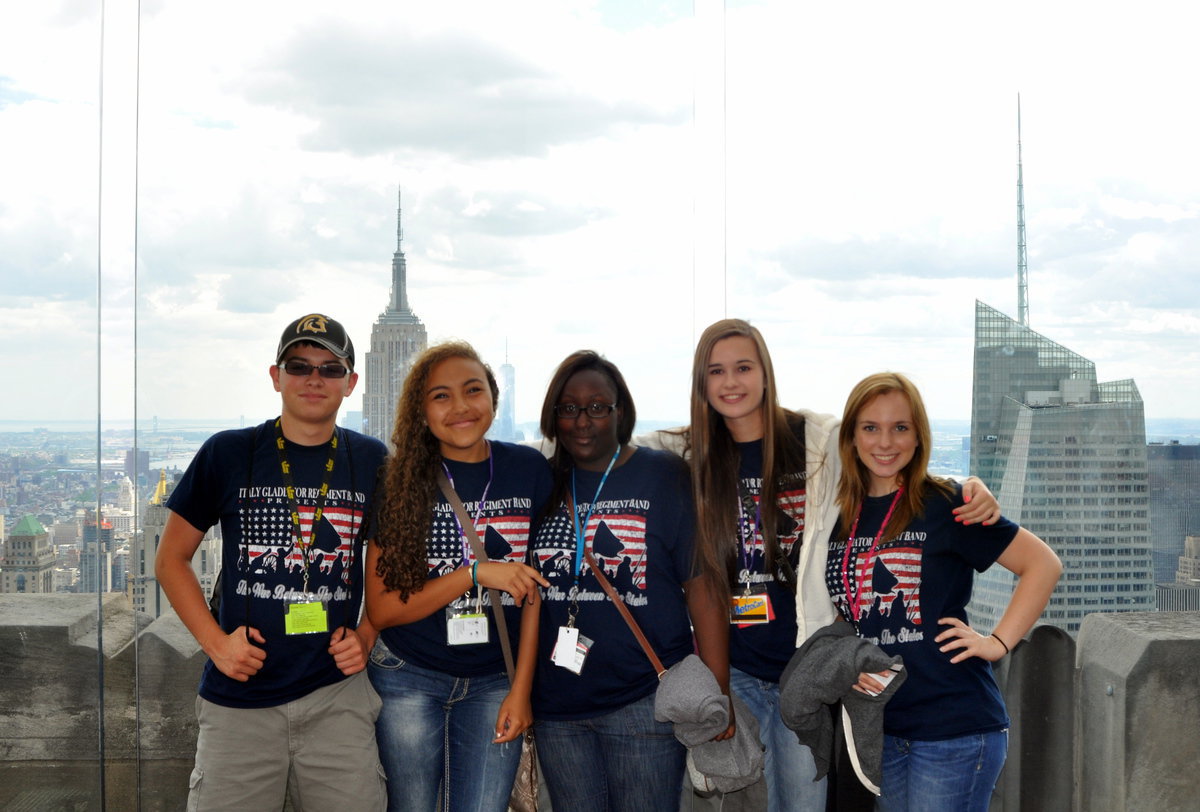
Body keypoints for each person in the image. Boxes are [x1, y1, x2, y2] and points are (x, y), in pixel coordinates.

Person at [638, 318, 1001, 811]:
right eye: (715, 371)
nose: (730, 383)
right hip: (736, 668)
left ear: (765, 372)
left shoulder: (816, 439)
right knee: (738, 802)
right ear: (701, 383)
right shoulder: (686, 453)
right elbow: (600, 456)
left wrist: (970, 484)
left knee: (806, 804)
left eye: (743, 367)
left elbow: (884, 454)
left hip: (805, 671)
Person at [156, 313, 388, 811]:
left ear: (350, 383)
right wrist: (216, 644)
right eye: (299, 365)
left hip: (336, 698)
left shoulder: (371, 460)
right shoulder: (229, 452)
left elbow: (385, 568)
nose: (313, 379)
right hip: (238, 701)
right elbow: (171, 559)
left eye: (329, 369)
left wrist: (367, 635)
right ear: (275, 375)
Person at [825, 372, 1061, 812]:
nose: (885, 442)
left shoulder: (947, 502)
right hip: (883, 729)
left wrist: (996, 643)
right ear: (852, 437)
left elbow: (1042, 564)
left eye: (900, 427)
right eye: (870, 427)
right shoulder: (839, 518)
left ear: (918, 436)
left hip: (954, 727)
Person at [528, 350, 729, 812]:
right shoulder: (542, 480)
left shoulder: (662, 475)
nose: (583, 421)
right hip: (558, 706)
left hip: (645, 700)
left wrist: (716, 693)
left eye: (598, 407)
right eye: (569, 407)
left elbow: (702, 587)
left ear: (621, 412)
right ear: (553, 416)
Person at [365, 341, 551, 812]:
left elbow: (535, 592)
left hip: (495, 681)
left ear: (493, 397)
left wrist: (522, 689)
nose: (461, 407)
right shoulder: (399, 479)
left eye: (473, 390)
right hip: (409, 677)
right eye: (441, 396)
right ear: (420, 411)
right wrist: (473, 574)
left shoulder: (527, 469)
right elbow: (384, 608)